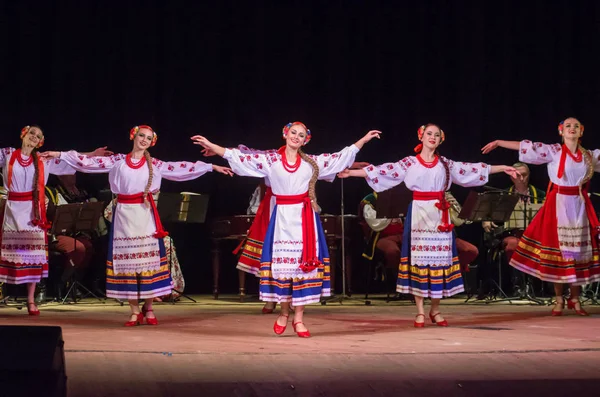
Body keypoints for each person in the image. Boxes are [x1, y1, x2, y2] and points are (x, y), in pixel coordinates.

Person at [192, 122, 381, 337]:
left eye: (301, 135)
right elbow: (238, 157)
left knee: (303, 268)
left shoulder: (311, 163)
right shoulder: (271, 161)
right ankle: (283, 313)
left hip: (305, 219)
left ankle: (299, 318)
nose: (296, 137)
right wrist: (212, 145)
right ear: (285, 134)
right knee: (283, 268)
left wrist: (363, 140)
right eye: (293, 133)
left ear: (305, 140)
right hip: (281, 219)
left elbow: (340, 157)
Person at [41, 125, 233, 326]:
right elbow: (87, 162)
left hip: (145, 216)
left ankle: (149, 308)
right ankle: (134, 311)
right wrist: (58, 154)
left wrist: (211, 167)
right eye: (141, 136)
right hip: (124, 217)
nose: (144, 140)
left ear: (152, 143)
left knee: (148, 263)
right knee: (127, 265)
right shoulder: (117, 162)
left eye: (148, 138)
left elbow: (179, 167)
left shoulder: (154, 164)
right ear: (133, 136)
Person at [339, 123, 520, 327]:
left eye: (436, 135)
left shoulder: (445, 164)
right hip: (418, 214)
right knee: (419, 261)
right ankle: (419, 311)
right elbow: (383, 171)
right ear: (421, 137)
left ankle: (435, 309)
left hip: (439, 215)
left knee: (439, 262)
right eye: (429, 134)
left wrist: (502, 168)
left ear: (441, 140)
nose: (432, 137)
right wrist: (351, 174)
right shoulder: (409, 163)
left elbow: (472, 169)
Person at [481, 117, 600, 316]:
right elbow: (527, 146)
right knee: (559, 253)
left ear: (582, 132)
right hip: (558, 204)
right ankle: (559, 299)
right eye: (568, 126)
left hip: (578, 206)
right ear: (561, 131)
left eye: (576, 126)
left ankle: (575, 298)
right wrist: (500, 142)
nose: (572, 129)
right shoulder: (553, 151)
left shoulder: (588, 156)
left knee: (576, 254)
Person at [0, 125, 108, 315]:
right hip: (12, 211)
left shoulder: (44, 160)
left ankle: (31, 300)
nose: (34, 137)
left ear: (41, 142)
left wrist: (91, 154)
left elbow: (72, 162)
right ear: (23, 134)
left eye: (38, 136)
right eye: (31, 133)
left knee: (33, 256)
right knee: (8, 255)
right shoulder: (7, 154)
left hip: (32, 214)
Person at [482, 162, 546, 261]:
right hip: (511, 234)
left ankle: (535, 276)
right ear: (511, 177)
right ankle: (516, 276)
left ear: (529, 175)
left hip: (535, 235)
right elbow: (488, 214)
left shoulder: (540, 195)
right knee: (514, 245)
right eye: (517, 175)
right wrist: (486, 220)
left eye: (524, 175)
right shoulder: (504, 194)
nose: (521, 178)